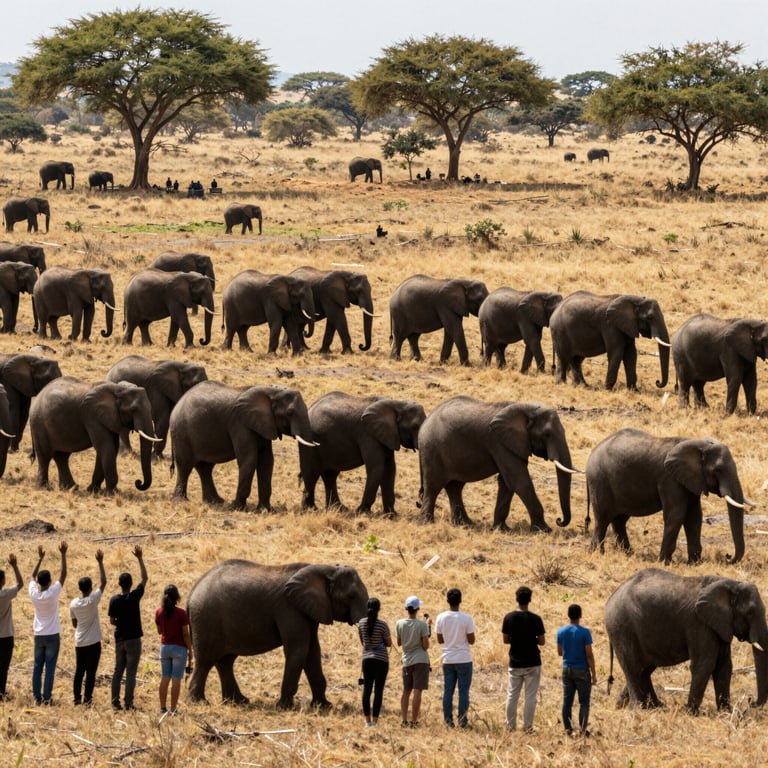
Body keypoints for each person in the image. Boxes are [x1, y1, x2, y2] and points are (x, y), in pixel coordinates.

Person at [108, 544, 148, 711]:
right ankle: (128, 703)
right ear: (131, 584)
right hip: (133, 639)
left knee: (118, 671)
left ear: (119, 584)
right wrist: (139, 558)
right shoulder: (134, 596)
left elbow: (112, 621)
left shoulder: (114, 600)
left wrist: (121, 624)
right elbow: (145, 579)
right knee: (131, 672)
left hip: (120, 639)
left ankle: (115, 701)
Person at [501, 585, 545, 732]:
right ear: (530, 600)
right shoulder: (536, 619)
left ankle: (510, 725)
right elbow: (542, 641)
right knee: (530, 696)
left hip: (515, 661)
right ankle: (527, 726)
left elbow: (506, 640)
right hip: (532, 661)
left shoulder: (509, 618)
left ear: (516, 599)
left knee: (512, 694)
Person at [29, 541, 68, 705]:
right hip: (52, 634)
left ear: (39, 582)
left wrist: (39, 559)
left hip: (39, 634)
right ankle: (46, 697)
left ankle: (36, 696)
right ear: (50, 582)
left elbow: (31, 576)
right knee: (50, 669)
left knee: (38, 667)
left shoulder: (34, 594)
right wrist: (63, 555)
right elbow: (63, 575)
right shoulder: (52, 593)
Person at [70, 549, 107, 705]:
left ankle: (77, 698)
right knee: (91, 673)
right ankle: (88, 699)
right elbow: (104, 582)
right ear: (90, 588)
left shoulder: (73, 603)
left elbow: (74, 624)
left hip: (80, 641)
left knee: (79, 671)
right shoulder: (93, 600)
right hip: (93, 642)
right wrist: (100, 562)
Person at [435, 588, 475, 728]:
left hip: (448, 658)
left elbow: (440, 639)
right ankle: (462, 721)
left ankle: (448, 720)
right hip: (464, 658)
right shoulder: (466, 618)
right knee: (463, 691)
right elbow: (472, 640)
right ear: (460, 600)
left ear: (447, 600)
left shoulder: (441, 617)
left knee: (448, 691)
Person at [557, 604, 596, 737]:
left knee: (567, 701)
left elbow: (559, 652)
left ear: (568, 615)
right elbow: (589, 655)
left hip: (567, 669)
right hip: (582, 670)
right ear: (580, 615)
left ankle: (568, 728)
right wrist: (594, 674)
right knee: (584, 702)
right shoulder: (585, 632)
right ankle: (582, 729)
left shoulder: (561, 631)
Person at [155, 584, 192, 715]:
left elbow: (159, 631)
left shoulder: (159, 612)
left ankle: (162, 708)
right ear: (177, 596)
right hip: (179, 649)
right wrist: (190, 652)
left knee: (165, 678)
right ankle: (173, 708)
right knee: (176, 679)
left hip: (164, 648)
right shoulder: (181, 613)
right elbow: (186, 635)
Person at [396, 595, 431, 728]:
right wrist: (427, 629)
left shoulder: (399, 623)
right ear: (418, 609)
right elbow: (425, 646)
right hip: (420, 660)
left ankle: (404, 720)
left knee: (406, 691)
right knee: (417, 691)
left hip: (406, 660)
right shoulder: (422, 625)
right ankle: (414, 721)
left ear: (406, 608)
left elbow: (399, 643)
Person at [358, 597, 392, 728]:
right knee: (378, 691)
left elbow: (362, 640)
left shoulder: (361, 623)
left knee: (367, 690)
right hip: (381, 660)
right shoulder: (382, 625)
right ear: (379, 609)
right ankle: (375, 721)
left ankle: (367, 721)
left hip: (367, 659)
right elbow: (389, 643)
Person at [0, 553, 23, 700]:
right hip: (6, 635)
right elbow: (20, 583)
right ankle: (1, 692)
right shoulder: (5, 595)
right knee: (3, 667)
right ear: (2, 581)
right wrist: (15, 566)